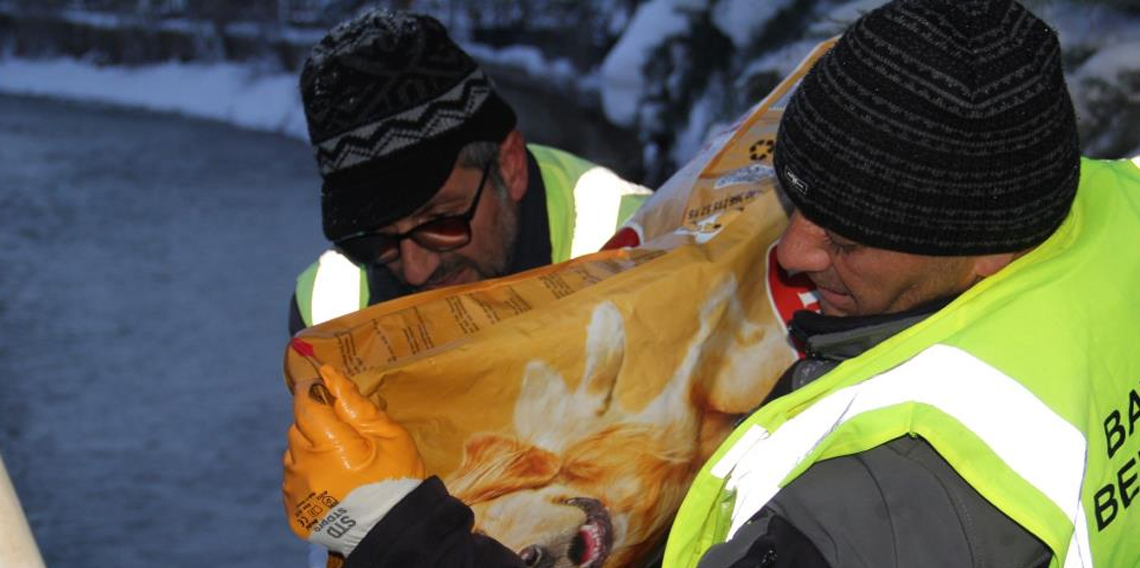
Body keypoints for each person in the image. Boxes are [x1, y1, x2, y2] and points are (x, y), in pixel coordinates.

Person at [281, 1, 1140, 566]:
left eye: (845, 238)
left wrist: (394, 529)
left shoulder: (891, 489)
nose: (795, 256)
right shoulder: (1118, 210)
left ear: (984, 247)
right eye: (795, 203)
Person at [289, 10, 651, 335]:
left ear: (509, 166)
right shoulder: (327, 317)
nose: (416, 271)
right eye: (379, 238)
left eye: (440, 221)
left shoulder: (648, 248)